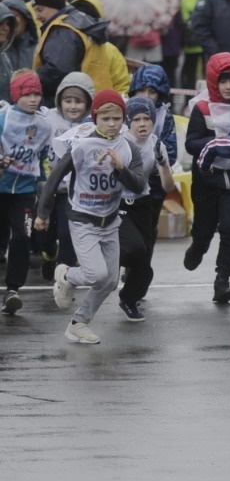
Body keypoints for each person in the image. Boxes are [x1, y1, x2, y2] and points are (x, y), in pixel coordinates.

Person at [34, 90, 147, 344]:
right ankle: (65, 275)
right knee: (97, 275)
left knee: (110, 281)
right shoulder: (83, 145)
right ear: (95, 118)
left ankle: (79, 324)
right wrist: (43, 212)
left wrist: (121, 169)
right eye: (105, 118)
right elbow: (54, 177)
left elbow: (139, 185)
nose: (111, 123)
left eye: (117, 118)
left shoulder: (128, 147)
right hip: (83, 218)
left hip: (110, 221)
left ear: (123, 119)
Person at [184, 53, 230, 303]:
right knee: (204, 229)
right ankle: (198, 247)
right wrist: (219, 144)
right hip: (208, 178)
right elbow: (191, 143)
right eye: (223, 81)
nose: (228, 87)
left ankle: (222, 280)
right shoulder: (202, 107)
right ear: (213, 81)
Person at [117, 97, 175, 322]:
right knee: (134, 249)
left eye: (147, 119)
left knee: (145, 266)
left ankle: (129, 300)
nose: (142, 124)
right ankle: (111, 265)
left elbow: (168, 187)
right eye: (137, 119)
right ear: (127, 122)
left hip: (143, 204)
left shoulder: (156, 144)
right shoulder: (119, 143)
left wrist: (163, 163)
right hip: (120, 204)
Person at [0, 71, 51, 314]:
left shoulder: (43, 124)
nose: (33, 99)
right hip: (1, 187)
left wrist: (44, 188)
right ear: (15, 95)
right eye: (27, 94)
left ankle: (13, 290)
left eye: (37, 94)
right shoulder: (4, 118)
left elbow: (44, 159)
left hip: (25, 191)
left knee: (23, 235)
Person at [40, 72, 95, 278]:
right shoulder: (48, 119)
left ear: (88, 103)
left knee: (67, 233)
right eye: (67, 100)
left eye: (79, 102)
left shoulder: (92, 126)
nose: (73, 106)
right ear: (59, 101)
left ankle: (64, 277)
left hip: (73, 192)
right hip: (47, 186)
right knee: (42, 234)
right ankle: (48, 253)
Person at [31, 0, 113, 107]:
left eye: (40, 10)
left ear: (53, 6)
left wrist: (32, 77)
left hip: (73, 102)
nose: (37, 16)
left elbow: (57, 70)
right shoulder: (80, 22)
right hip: (92, 96)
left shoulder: (62, 30)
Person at [2, 0, 38, 71]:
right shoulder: (2, 50)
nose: (12, 21)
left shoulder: (38, 49)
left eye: (15, 15)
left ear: (26, 20)